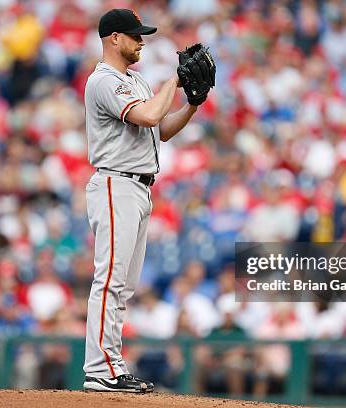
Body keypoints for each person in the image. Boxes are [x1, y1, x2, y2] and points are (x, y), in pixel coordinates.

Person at [82, 9, 212, 393]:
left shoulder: (134, 80)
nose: (141, 42)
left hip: (138, 188)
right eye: (135, 36)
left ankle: (111, 366)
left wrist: (193, 103)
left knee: (122, 287)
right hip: (115, 184)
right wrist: (174, 80)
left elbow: (163, 129)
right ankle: (101, 371)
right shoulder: (103, 81)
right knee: (109, 280)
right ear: (114, 39)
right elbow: (151, 115)